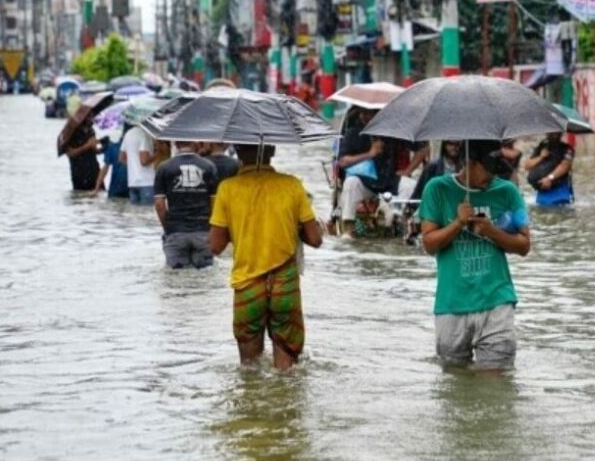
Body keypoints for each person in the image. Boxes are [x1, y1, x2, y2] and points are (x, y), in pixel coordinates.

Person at [209, 144, 323, 369]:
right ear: (272, 152)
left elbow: (215, 246)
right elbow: (315, 239)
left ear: (238, 153)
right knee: (287, 373)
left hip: (247, 288)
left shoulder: (227, 189)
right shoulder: (292, 185)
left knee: (250, 371)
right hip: (285, 286)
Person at [419, 140, 530, 372]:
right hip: (452, 304)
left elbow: (524, 245)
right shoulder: (436, 189)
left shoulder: (507, 192)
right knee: (456, 388)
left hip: (496, 301)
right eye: (487, 168)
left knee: (495, 390)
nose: (491, 176)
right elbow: (428, 244)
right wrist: (458, 223)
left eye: (495, 169)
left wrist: (491, 231)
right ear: (469, 162)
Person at [336, 107, 418, 233]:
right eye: (363, 112)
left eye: (369, 113)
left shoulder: (393, 133)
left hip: (389, 180)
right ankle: (348, 229)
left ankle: (402, 223)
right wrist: (370, 154)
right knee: (350, 183)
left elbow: (423, 150)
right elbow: (342, 162)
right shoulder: (353, 133)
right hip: (364, 182)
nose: (364, 116)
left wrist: (407, 170)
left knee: (411, 186)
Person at [154, 141, 220, 269]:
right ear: (196, 144)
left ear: (175, 144)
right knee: (205, 276)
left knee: (177, 278)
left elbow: (159, 204)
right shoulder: (209, 166)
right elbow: (215, 202)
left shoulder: (164, 167)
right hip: (203, 231)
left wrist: (168, 227)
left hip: (175, 231)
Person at [523, 132, 574, 206]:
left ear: (560, 134)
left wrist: (549, 178)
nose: (552, 135)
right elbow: (527, 166)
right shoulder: (542, 147)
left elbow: (565, 166)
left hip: (559, 191)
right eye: (550, 133)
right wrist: (541, 157)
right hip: (542, 192)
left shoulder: (567, 149)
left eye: (555, 133)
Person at [120, 123, 157, 205]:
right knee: (146, 215)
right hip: (147, 182)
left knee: (135, 215)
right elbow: (144, 161)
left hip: (132, 182)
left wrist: (133, 168)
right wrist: (158, 154)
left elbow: (121, 158)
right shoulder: (145, 134)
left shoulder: (128, 133)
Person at [64, 108, 100, 191]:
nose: (92, 119)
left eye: (93, 116)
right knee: (80, 197)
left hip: (94, 171)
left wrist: (106, 146)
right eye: (89, 117)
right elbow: (70, 153)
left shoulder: (91, 130)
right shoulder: (71, 132)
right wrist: (86, 146)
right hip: (80, 173)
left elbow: (95, 151)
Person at [92, 132, 129, 198]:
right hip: (131, 185)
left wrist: (96, 189)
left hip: (115, 186)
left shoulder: (112, 145)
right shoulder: (130, 143)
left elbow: (105, 169)